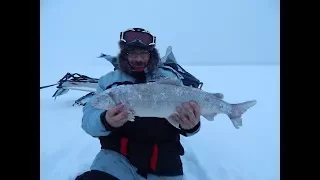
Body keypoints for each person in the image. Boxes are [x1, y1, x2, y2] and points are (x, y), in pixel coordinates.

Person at [76, 28, 201, 180]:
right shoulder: (108, 82)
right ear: (124, 54)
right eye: (133, 53)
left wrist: (191, 126)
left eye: (143, 53)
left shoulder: (169, 77)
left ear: (151, 54)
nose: (139, 59)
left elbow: (188, 120)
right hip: (117, 160)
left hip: (164, 164)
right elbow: (88, 119)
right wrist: (105, 120)